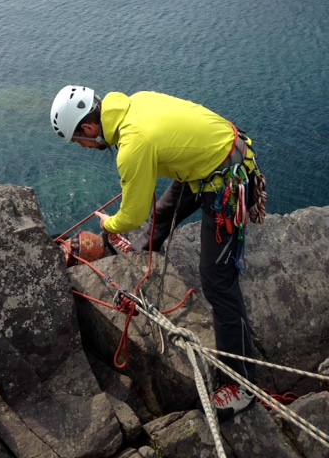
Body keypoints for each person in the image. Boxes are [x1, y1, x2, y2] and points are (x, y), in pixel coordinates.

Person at [50, 85, 267, 421]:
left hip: (224, 180)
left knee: (218, 284)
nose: (83, 147)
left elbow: (132, 215)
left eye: (79, 140)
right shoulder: (135, 102)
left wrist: (109, 228)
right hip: (213, 156)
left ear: (90, 128)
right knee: (163, 214)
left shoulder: (133, 144)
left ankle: (241, 384)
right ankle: (143, 247)